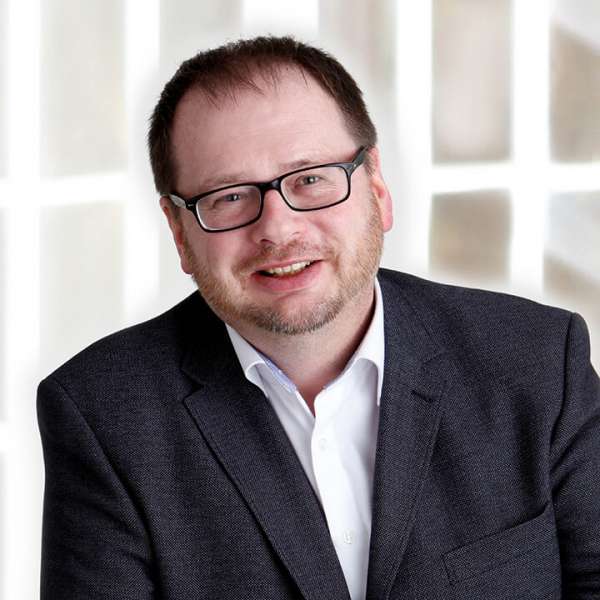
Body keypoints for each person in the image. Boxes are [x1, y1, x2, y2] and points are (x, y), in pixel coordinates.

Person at [37, 36, 600, 600]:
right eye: (228, 196)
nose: (278, 229)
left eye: (310, 179)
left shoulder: (538, 361)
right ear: (179, 232)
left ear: (376, 187)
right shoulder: (103, 416)